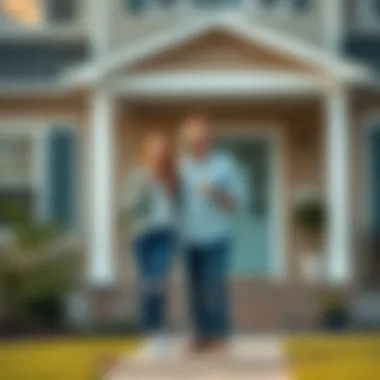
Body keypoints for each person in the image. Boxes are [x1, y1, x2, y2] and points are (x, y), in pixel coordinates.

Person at [179, 114, 243, 354]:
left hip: (217, 237)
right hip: (188, 238)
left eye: (201, 136)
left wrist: (215, 191)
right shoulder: (181, 166)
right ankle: (200, 335)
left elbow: (235, 202)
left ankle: (219, 335)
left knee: (214, 286)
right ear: (186, 139)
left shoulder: (224, 165)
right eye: (192, 136)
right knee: (194, 289)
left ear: (209, 138)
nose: (197, 140)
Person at [124, 132, 178, 352]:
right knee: (148, 285)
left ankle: (158, 329)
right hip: (143, 235)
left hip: (165, 234)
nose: (159, 155)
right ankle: (151, 332)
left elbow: (178, 208)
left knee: (158, 281)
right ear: (146, 153)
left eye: (162, 152)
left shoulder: (172, 177)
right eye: (155, 151)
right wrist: (143, 190)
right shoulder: (137, 176)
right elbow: (127, 207)